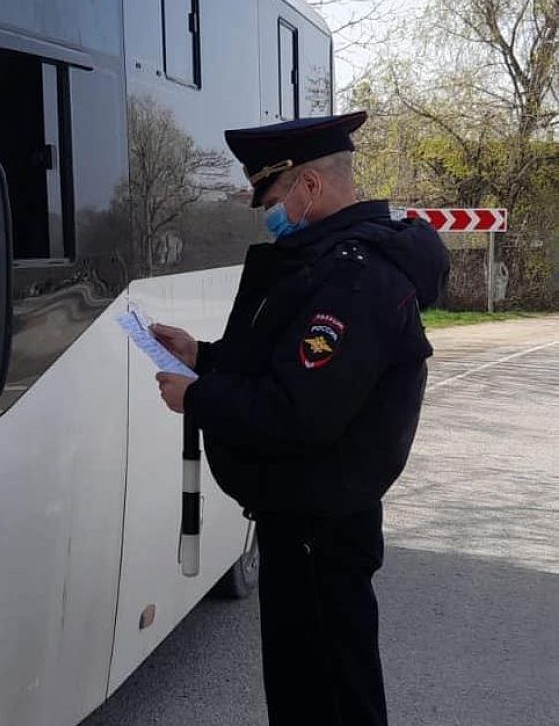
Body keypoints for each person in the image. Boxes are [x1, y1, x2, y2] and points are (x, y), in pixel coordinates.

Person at [149, 111, 450, 726]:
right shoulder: (327, 262)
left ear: (309, 187)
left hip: (321, 526)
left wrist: (196, 398)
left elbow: (297, 412)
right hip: (309, 516)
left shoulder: (351, 278)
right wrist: (201, 356)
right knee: (308, 680)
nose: (269, 213)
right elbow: (284, 363)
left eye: (272, 197)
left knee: (324, 694)